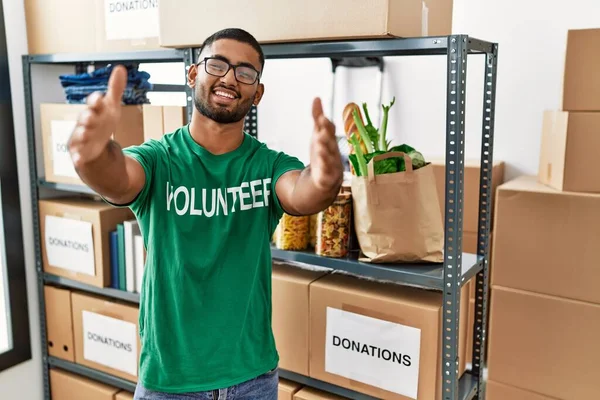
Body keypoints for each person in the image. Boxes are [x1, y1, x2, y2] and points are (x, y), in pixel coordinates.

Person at [67, 28, 344, 400]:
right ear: (194, 74)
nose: (230, 77)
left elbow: (303, 192)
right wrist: (94, 154)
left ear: (256, 93)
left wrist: (326, 175)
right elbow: (118, 178)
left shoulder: (267, 165)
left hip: (253, 379)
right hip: (170, 382)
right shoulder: (159, 159)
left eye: (245, 72)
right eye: (218, 64)